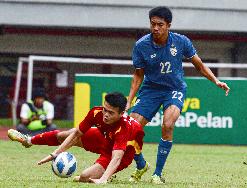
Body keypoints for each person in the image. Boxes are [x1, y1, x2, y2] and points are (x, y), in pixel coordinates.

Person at [126, 6, 230, 184]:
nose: (156, 28)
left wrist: (216, 81)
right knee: (131, 129)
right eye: (153, 24)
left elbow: (199, 65)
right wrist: (129, 101)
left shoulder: (181, 41)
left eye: (160, 24)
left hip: (174, 89)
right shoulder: (141, 45)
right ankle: (141, 164)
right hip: (151, 89)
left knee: (167, 124)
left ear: (168, 25)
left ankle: (157, 174)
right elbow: (138, 75)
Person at [8, 92, 144, 184]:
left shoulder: (124, 128)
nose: (105, 115)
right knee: (65, 134)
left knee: (85, 176)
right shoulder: (96, 112)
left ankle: (108, 175)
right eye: (105, 109)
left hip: (124, 152)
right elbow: (77, 134)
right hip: (105, 137)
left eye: (111, 112)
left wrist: (103, 179)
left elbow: (117, 157)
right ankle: (29, 140)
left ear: (121, 113)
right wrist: (56, 153)